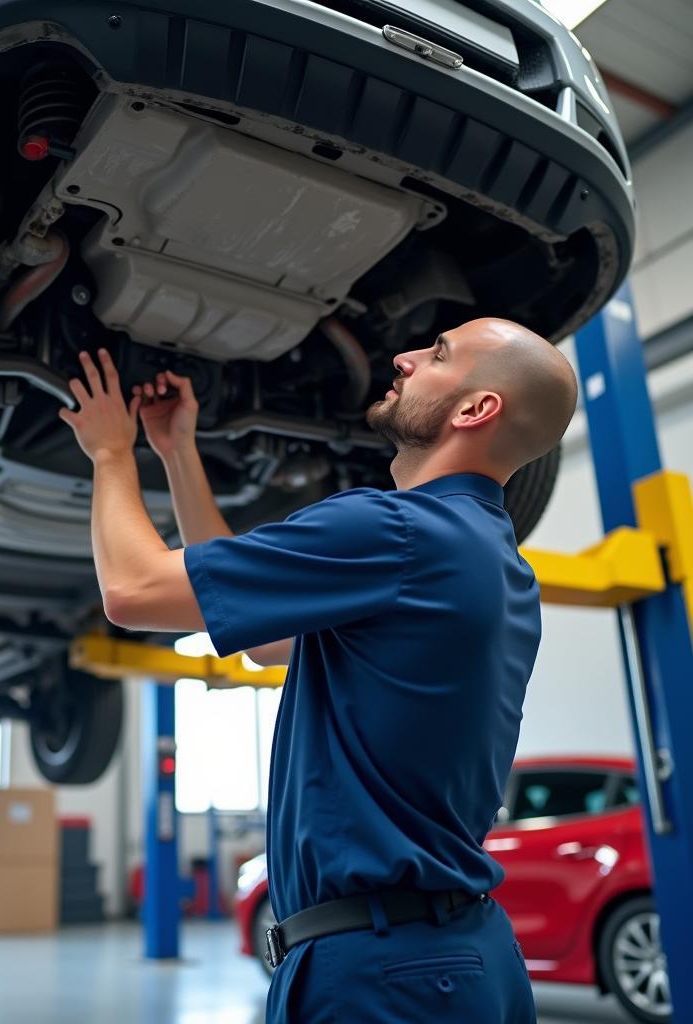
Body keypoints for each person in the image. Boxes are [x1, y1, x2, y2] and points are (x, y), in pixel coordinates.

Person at [58, 317, 578, 1023]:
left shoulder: (397, 532)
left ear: (474, 410)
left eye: (438, 355)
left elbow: (132, 591)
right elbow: (265, 637)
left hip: (380, 969)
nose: (403, 356)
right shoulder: (490, 564)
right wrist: (177, 454)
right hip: (457, 956)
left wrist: (110, 451)